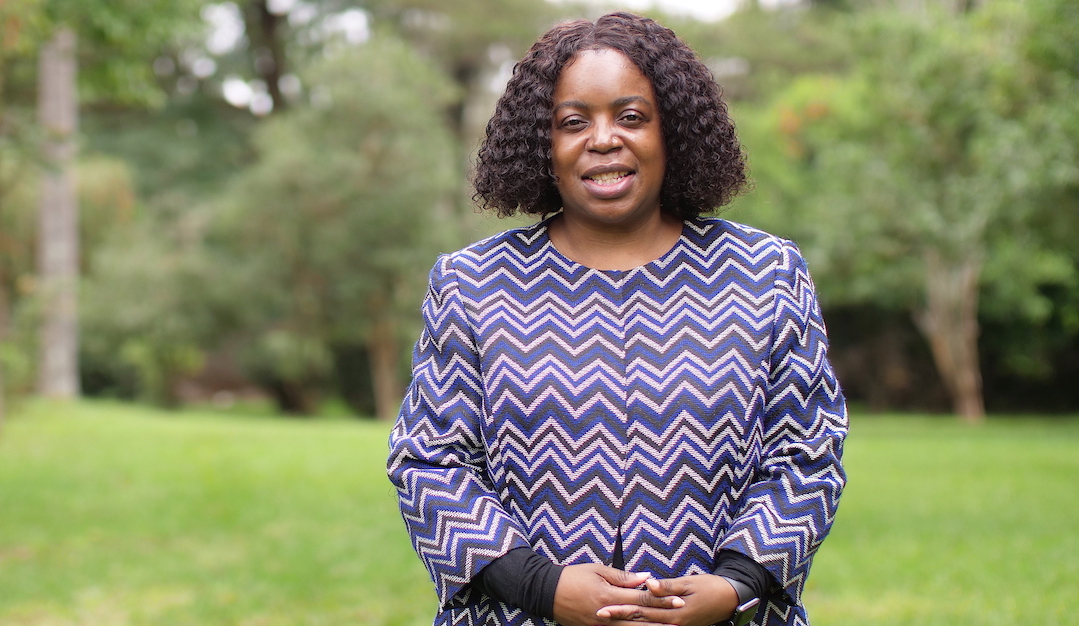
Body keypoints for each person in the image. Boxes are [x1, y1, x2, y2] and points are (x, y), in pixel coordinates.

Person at [387, 12, 847, 626]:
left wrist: (735, 584)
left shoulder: (765, 273)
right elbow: (428, 461)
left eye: (631, 116)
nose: (603, 139)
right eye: (573, 122)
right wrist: (540, 586)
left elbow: (808, 453)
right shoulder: (473, 284)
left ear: (673, 132)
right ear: (542, 144)